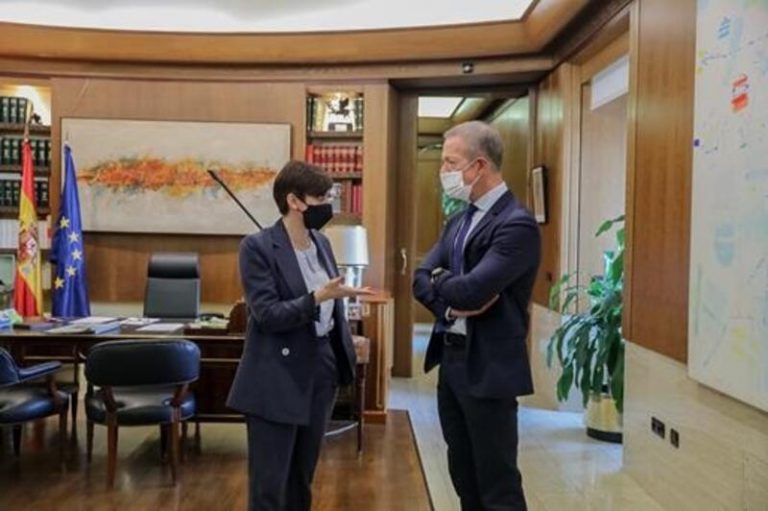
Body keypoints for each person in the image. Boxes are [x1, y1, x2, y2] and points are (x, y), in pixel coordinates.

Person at [227, 160, 373, 511]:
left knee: (301, 479)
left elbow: (328, 299)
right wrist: (318, 298)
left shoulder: (321, 242)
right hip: (275, 374)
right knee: (269, 485)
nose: (329, 204)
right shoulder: (258, 247)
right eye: (321, 196)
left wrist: (338, 306)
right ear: (295, 201)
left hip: (321, 368)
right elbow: (267, 314)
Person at [413, 121, 541, 510]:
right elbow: (420, 278)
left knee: (497, 481)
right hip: (452, 361)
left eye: (450, 163)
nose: (443, 173)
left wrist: (446, 283)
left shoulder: (516, 224)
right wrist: (449, 302)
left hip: (490, 367)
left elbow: (474, 290)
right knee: (463, 471)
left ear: (479, 165)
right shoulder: (460, 220)